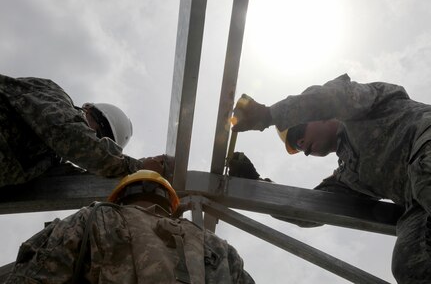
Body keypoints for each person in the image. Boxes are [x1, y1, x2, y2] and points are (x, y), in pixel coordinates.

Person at [232, 74, 431, 283]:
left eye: (299, 131)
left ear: (321, 115)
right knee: (409, 263)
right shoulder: (351, 176)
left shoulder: (360, 106)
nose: (301, 143)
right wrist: (256, 185)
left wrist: (268, 114)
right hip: (421, 202)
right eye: (297, 146)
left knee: (423, 175)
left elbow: (331, 98)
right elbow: (309, 210)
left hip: (425, 144)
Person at [5, 169, 254, 283]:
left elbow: (36, 274)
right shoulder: (217, 247)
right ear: (171, 202)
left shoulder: (94, 217)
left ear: (121, 196)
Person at [0, 73, 167, 187]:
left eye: (102, 138)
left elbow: (81, 173)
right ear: (88, 111)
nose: (95, 137)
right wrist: (137, 167)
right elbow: (68, 134)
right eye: (100, 134)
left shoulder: (50, 160)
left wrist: (142, 170)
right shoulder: (56, 96)